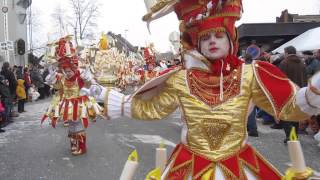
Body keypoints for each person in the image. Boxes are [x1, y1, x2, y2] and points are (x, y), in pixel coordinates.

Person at [89, 0, 320, 179]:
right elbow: (153, 108)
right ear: (197, 44)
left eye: (219, 35)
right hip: (189, 165)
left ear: (231, 40)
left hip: (239, 164)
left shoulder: (251, 75)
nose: (212, 41)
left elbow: (289, 106)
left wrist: (313, 93)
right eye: (205, 37)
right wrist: (113, 98)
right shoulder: (180, 79)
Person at [42, 36, 102, 156]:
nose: (67, 73)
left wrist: (90, 86)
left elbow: (93, 86)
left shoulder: (80, 77)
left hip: (79, 104)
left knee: (78, 125)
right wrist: (52, 72)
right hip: (67, 104)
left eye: (69, 71)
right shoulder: (63, 78)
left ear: (74, 70)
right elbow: (54, 84)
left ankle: (82, 147)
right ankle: (74, 145)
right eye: (65, 71)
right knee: (71, 126)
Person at [279, 46, 308, 143]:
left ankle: (290, 136)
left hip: (288, 92)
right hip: (300, 92)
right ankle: (294, 136)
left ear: (287, 53)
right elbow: (305, 78)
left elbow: (281, 79)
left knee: (284, 115)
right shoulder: (302, 63)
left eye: (284, 53)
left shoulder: (284, 63)